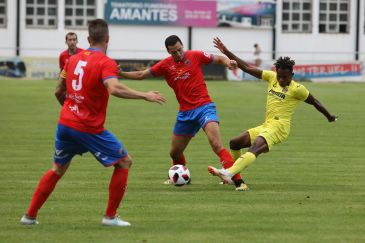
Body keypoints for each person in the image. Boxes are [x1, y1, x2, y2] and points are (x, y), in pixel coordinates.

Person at [20, 19, 166, 226]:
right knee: (124, 162)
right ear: (107, 39)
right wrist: (145, 95)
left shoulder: (72, 60)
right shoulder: (106, 62)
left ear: (88, 39)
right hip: (88, 127)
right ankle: (110, 217)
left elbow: (58, 90)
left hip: (65, 124)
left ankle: (29, 216)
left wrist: (70, 108)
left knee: (57, 169)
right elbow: (114, 88)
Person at [119, 35, 247, 190]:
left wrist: (229, 62)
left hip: (204, 107)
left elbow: (219, 58)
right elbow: (141, 75)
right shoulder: (165, 65)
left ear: (182, 46)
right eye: (174, 52)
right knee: (174, 152)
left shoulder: (195, 55)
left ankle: (239, 182)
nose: (178, 54)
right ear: (168, 52)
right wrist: (122, 74)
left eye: (179, 50)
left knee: (216, 144)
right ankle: (181, 175)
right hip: (185, 113)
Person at [208, 37, 337, 191]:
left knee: (255, 148)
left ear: (292, 75)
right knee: (235, 143)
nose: (281, 80)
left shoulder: (298, 89)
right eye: (279, 76)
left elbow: (315, 101)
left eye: (285, 77)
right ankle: (237, 179)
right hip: (267, 125)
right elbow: (247, 68)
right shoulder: (271, 77)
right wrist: (227, 52)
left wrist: (329, 116)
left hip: (280, 127)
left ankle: (229, 172)